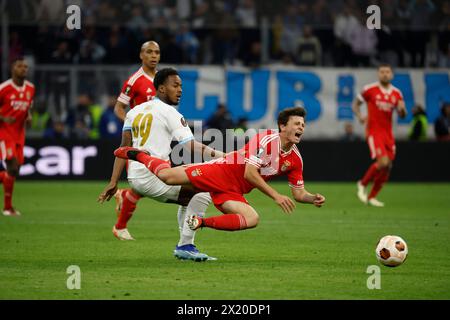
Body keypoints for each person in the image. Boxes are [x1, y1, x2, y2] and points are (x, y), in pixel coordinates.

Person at [114, 107, 325, 235]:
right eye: (297, 123)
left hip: (234, 190)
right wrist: (276, 196)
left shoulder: (295, 158)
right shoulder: (266, 138)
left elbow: (298, 193)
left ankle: (200, 223)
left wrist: (311, 197)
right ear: (282, 126)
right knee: (167, 177)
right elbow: (249, 174)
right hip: (221, 171)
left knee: (252, 219)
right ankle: (137, 154)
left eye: (303, 125)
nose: (301, 128)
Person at [98, 68, 224, 261]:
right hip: (154, 175)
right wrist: (222, 155)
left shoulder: (135, 111)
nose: (180, 90)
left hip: (136, 176)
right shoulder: (169, 112)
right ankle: (185, 245)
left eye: (181, 86)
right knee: (203, 191)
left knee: (190, 192)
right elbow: (190, 145)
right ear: (162, 88)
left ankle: (185, 244)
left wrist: (113, 182)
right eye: (175, 85)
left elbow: (123, 149)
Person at [112, 41, 160, 229]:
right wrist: (130, 123)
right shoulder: (134, 81)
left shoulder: (162, 79)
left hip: (159, 138)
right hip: (140, 140)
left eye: (157, 52)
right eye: (149, 52)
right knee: (145, 183)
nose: (153, 56)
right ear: (141, 55)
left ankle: (121, 221)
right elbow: (118, 108)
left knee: (145, 185)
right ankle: (121, 226)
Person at [353, 64, 407, 207]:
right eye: (382, 72)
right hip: (374, 132)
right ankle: (362, 183)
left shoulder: (397, 93)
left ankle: (371, 197)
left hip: (388, 134)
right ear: (378, 74)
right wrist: (360, 116)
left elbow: (402, 114)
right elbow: (356, 104)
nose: (384, 74)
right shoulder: (370, 89)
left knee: (388, 167)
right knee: (383, 162)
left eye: (387, 72)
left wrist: (402, 110)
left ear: (391, 75)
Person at [0, 58, 35, 216]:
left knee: (14, 171)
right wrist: (3, 118)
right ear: (12, 68)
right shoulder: (4, 88)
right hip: (4, 133)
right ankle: (7, 208)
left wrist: (28, 116)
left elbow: (28, 107)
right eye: (20, 66)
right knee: (12, 166)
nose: (23, 69)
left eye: (25, 67)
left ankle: (8, 207)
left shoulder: (30, 88)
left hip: (19, 134)